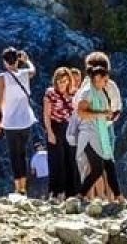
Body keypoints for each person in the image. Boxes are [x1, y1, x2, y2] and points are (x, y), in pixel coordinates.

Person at [75, 64, 123, 202]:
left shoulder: (100, 91)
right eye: (103, 80)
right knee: (98, 168)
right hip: (89, 135)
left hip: (100, 133)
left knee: (108, 165)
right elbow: (81, 112)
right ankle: (81, 194)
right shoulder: (88, 92)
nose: (103, 83)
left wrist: (107, 115)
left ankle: (119, 196)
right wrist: (101, 113)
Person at [0, 47, 37, 195]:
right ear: (17, 60)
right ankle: (23, 187)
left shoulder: (2, 77)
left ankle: (17, 187)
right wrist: (27, 60)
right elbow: (33, 70)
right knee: (22, 154)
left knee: (14, 155)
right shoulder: (25, 74)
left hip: (10, 122)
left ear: (5, 61)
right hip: (26, 120)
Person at [43, 67, 77, 199]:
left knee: (70, 160)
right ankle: (56, 191)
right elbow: (46, 114)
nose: (62, 84)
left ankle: (70, 193)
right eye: (59, 81)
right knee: (56, 160)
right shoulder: (50, 93)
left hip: (70, 128)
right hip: (55, 127)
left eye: (64, 81)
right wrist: (50, 132)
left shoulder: (74, 94)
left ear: (69, 80)